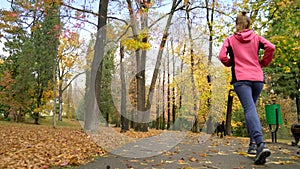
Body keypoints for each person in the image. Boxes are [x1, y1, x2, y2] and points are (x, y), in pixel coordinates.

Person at [218, 11, 275, 165]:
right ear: (249, 24)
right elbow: (271, 47)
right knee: (252, 110)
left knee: (249, 110)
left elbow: (222, 56)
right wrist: (263, 62)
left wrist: (231, 63)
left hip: (241, 79)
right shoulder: (256, 38)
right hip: (257, 78)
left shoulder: (230, 40)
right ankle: (253, 144)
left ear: (237, 24)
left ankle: (260, 144)